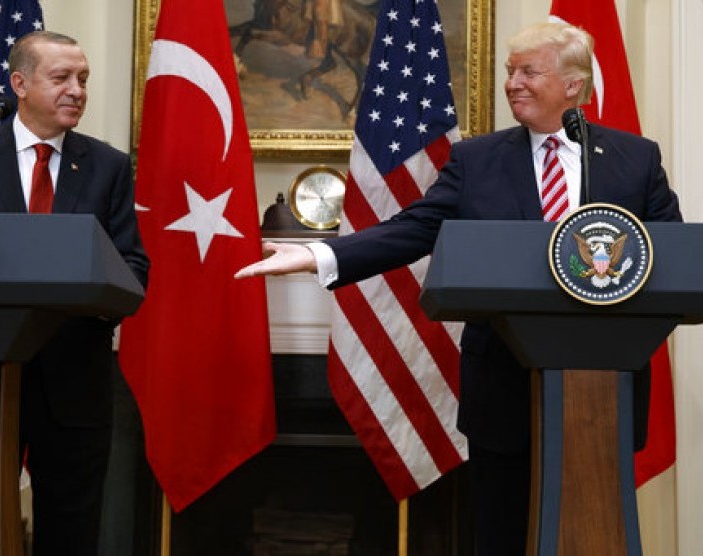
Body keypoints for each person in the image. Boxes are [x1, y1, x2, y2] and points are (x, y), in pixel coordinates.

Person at [236, 22, 681, 555]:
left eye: (528, 71)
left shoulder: (636, 159)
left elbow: (669, 260)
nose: (512, 82)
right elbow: (414, 227)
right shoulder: (478, 160)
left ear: (573, 84)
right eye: (509, 71)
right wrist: (319, 252)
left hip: (602, 396)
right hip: (504, 391)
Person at [0, 31, 149, 555]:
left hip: (73, 375)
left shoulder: (107, 165)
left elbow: (133, 265)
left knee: (71, 526)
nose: (77, 90)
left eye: (84, 79)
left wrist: (87, 306)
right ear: (19, 84)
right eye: (62, 78)